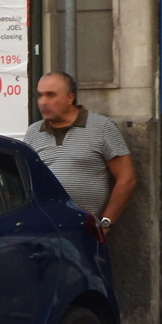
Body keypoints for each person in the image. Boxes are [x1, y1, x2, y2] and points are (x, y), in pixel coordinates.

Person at [24, 71, 136, 233]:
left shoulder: (102, 127)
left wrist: (105, 224)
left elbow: (127, 178)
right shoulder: (34, 132)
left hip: (83, 232)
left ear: (70, 98)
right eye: (40, 96)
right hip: (43, 231)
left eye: (51, 95)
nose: (43, 102)